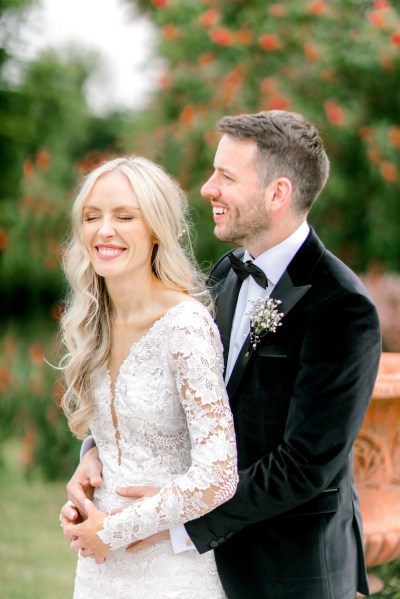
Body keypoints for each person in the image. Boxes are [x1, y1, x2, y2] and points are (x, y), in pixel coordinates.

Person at [61, 111, 382, 599]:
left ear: (277, 193)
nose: (207, 188)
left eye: (226, 177)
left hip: (286, 568)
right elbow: (176, 400)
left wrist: (174, 526)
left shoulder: (342, 307)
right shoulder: (228, 274)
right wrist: (98, 451)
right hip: (197, 561)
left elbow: (305, 465)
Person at [57, 155, 238, 599]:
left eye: (124, 216)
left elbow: (219, 474)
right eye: (92, 216)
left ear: (156, 228)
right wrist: (86, 492)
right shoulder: (95, 319)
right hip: (98, 570)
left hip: (171, 572)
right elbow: (122, 437)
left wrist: (116, 528)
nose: (104, 231)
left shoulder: (185, 326)